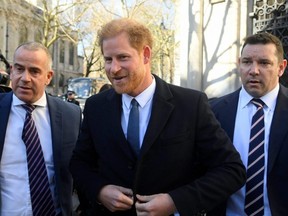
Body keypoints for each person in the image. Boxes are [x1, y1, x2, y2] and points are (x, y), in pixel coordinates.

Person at [70, 18, 246, 216]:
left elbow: (231, 170)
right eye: (108, 59)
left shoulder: (190, 104)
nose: (113, 69)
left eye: (123, 57)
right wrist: (100, 190)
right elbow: (79, 163)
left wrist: (175, 201)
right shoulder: (96, 107)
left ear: (145, 55)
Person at [0, 42, 82, 215]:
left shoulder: (70, 115)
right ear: (12, 70)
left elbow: (82, 169)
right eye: (19, 69)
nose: (25, 78)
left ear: (48, 76)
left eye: (34, 71)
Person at [210, 32, 288, 215]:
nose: (254, 70)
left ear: (281, 67)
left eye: (264, 63)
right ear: (239, 65)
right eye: (247, 62)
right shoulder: (213, 111)